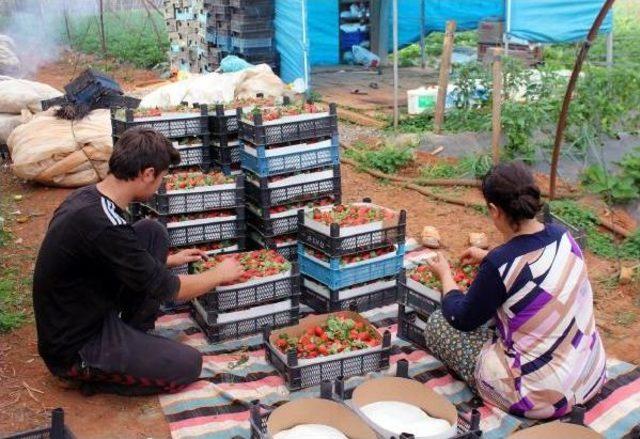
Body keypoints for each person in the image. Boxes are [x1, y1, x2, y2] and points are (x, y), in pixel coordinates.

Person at [32, 128, 244, 396]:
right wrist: (219, 274)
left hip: (84, 308)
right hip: (76, 344)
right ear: (147, 174)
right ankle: (86, 372)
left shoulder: (87, 198)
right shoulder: (103, 225)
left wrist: (166, 261)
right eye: (161, 177)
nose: (160, 186)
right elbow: (170, 289)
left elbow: (109, 256)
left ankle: (133, 333)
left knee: (151, 232)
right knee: (188, 364)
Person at [422, 162, 606, 419]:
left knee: (438, 324)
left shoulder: (500, 264)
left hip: (537, 396)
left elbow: (460, 318)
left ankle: (505, 388)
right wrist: (488, 257)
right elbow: (534, 273)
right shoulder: (564, 237)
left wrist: (445, 276)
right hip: (588, 373)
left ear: (495, 210)